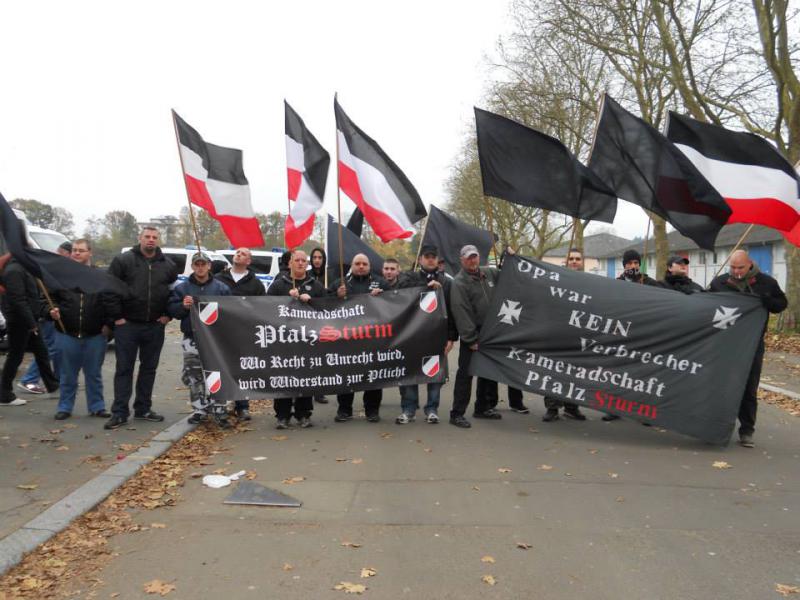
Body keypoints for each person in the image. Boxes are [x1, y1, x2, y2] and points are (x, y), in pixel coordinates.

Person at [710, 249, 787, 448]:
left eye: (740, 268)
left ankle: (746, 430)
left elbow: (781, 304)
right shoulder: (719, 282)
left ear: (750, 264)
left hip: (752, 345)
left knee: (749, 388)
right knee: (720, 385)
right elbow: (707, 306)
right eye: (733, 267)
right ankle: (715, 426)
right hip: (725, 343)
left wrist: (767, 301)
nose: (736, 272)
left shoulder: (766, 283)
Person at [105, 227, 178, 430]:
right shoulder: (123, 261)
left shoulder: (168, 265)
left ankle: (143, 408)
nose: (151, 240)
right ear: (140, 238)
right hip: (127, 325)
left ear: (159, 240)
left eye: (155, 237)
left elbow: (174, 294)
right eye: (147, 236)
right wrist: (117, 317)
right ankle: (119, 412)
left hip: (155, 325)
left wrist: (168, 315)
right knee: (124, 369)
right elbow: (109, 289)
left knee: (149, 369)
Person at [47, 239, 113, 420]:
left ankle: (97, 407)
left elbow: (109, 302)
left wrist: (109, 325)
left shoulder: (100, 276)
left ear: (89, 253)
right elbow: (49, 298)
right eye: (74, 250)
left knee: (93, 374)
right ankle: (65, 407)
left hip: (95, 334)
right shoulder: (61, 276)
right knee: (67, 374)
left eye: (81, 250)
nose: (77, 253)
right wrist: (50, 309)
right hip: (66, 333)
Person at [168, 252, 232, 427]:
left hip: (216, 340)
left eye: (203, 263)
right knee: (194, 376)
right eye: (197, 264)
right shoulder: (182, 289)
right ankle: (199, 409)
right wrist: (182, 305)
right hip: (192, 338)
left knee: (217, 374)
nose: (200, 267)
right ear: (193, 266)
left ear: (209, 266)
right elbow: (173, 311)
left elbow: (232, 313)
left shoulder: (221, 288)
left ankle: (220, 409)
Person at [396, 245, 456, 425]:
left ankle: (432, 409)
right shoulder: (409, 276)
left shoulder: (447, 282)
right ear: (420, 259)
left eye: (433, 257)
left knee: (434, 374)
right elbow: (399, 290)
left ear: (438, 260)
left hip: (436, 335)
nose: (430, 259)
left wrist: (451, 337)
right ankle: (409, 409)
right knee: (410, 373)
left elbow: (453, 311)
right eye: (427, 257)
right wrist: (425, 285)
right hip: (412, 334)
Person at [449, 244, 507, 428]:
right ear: (462, 260)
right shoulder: (459, 282)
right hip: (473, 335)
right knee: (465, 375)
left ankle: (482, 407)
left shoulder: (488, 273)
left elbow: (508, 274)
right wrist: (470, 339)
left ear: (479, 257)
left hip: (491, 333)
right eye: (468, 257)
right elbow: (461, 311)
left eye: (474, 256)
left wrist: (509, 256)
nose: (472, 260)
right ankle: (456, 413)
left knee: (488, 373)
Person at [266, 250, 326, 428]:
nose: (300, 263)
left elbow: (328, 309)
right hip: (283, 341)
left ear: (307, 265)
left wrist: (312, 300)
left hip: (307, 340)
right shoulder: (278, 285)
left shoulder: (316, 286)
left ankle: (303, 414)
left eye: (303, 261)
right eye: (297, 260)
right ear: (290, 263)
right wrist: (286, 299)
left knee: (305, 377)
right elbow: (264, 308)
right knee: (284, 378)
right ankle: (282, 415)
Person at [329, 253, 388, 423]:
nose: (361, 266)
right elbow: (324, 305)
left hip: (373, 339)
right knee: (347, 375)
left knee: (374, 376)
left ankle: (372, 410)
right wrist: (336, 295)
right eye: (357, 263)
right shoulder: (341, 283)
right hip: (347, 339)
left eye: (364, 263)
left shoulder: (380, 283)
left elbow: (395, 302)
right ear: (352, 265)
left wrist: (383, 296)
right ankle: (344, 410)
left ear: (369, 266)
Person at [604, 248, 659, 421]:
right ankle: (615, 408)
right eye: (629, 263)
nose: (633, 266)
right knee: (619, 372)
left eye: (636, 263)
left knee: (643, 374)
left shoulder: (650, 283)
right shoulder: (615, 283)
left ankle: (644, 412)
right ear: (624, 265)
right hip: (621, 334)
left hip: (644, 334)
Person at [0, 258, 59, 406]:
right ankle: (4, 393)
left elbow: (32, 296)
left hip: (29, 319)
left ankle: (54, 386)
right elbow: (18, 300)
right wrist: (31, 323)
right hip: (20, 321)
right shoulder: (14, 270)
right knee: (15, 356)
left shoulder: (24, 268)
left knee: (42, 352)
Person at [216, 247, 266, 420]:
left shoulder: (256, 284)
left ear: (249, 261)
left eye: (243, 254)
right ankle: (222, 404)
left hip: (244, 332)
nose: (238, 254)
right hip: (221, 331)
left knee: (242, 368)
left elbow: (262, 308)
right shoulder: (218, 279)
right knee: (221, 366)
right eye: (237, 252)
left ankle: (242, 406)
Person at [542, 248, 587, 422]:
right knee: (554, 373)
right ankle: (552, 408)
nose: (574, 261)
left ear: (582, 262)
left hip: (578, 337)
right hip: (557, 335)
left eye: (578, 259)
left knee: (574, 374)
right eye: (571, 258)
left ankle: (572, 407)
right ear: (566, 261)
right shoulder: (556, 279)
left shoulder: (589, 282)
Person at [307, 247, 330, 404]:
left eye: (320, 257)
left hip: (324, 321)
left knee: (322, 357)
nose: (317, 260)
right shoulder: (306, 276)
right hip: (307, 321)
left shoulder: (330, 275)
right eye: (314, 257)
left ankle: (320, 391)